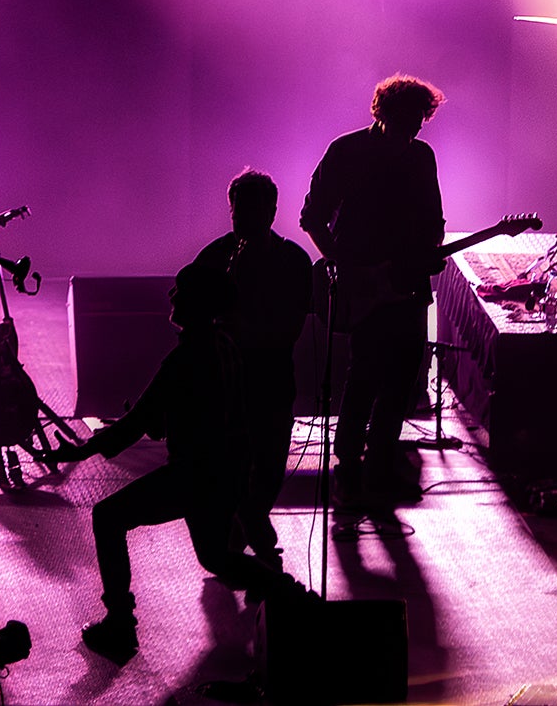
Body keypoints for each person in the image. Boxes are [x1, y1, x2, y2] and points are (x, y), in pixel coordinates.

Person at [64, 262, 284, 661]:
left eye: (180, 290)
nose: (171, 296)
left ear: (197, 302)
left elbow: (136, 423)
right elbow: (203, 412)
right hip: (226, 473)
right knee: (215, 557)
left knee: (108, 518)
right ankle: (286, 592)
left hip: (195, 475)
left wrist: (78, 451)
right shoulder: (224, 346)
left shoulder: (184, 360)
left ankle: (119, 623)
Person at [300, 74, 445, 504]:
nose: (413, 130)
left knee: (402, 379)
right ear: (384, 114)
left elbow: (433, 220)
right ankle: (347, 465)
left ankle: (379, 463)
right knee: (364, 375)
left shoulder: (422, 157)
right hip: (364, 283)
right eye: (406, 121)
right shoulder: (346, 151)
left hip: (409, 283)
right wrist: (344, 266)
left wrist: (431, 249)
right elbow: (312, 217)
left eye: (419, 121)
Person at [183, 169, 313, 572]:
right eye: (238, 214)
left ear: (271, 212)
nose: (243, 222)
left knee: (270, 465)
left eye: (252, 214)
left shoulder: (292, 261)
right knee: (232, 467)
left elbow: (292, 326)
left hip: (270, 376)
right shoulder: (214, 258)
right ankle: (252, 539)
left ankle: (248, 531)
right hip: (226, 383)